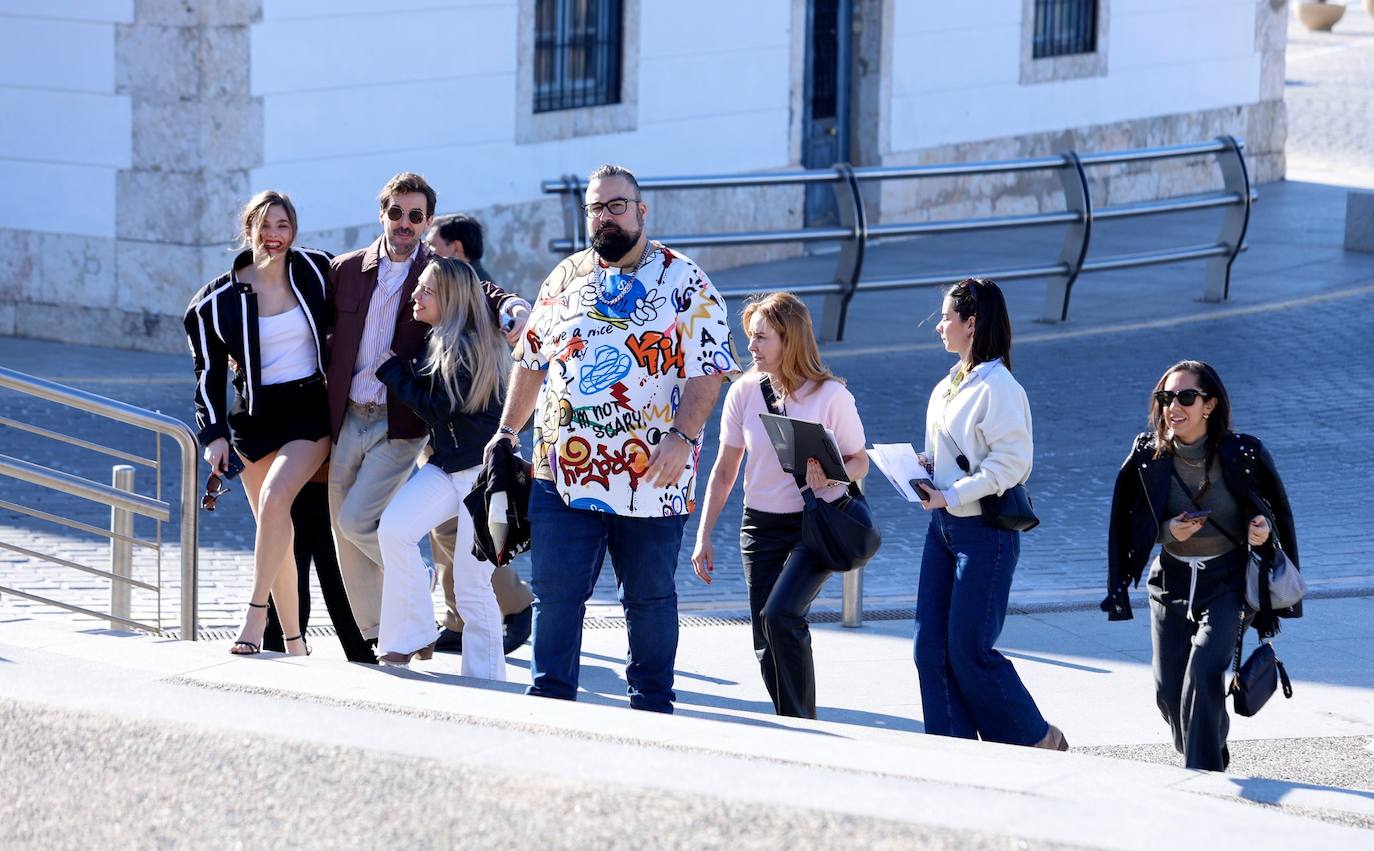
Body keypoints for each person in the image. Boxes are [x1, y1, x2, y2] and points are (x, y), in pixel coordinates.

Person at [488, 163, 740, 713]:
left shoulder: (684, 280)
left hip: (652, 474)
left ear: (641, 210)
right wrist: (507, 432)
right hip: (563, 473)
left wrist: (683, 436)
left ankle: (652, 705)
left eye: (616, 205)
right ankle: (550, 702)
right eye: (596, 208)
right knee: (556, 596)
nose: (605, 216)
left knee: (648, 599)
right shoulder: (564, 278)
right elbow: (530, 360)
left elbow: (710, 367)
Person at [325, 173, 529, 649]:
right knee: (345, 528)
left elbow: (483, 292)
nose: (404, 223)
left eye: (415, 216)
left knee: (366, 522)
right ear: (382, 213)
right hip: (348, 416)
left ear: (428, 220)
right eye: (396, 213)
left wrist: (515, 306)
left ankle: (425, 591)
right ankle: (384, 635)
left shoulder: (436, 271)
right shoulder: (347, 269)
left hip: (403, 421)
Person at [1102, 360, 1300, 771]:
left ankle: (1204, 776)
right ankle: (1207, 745)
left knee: (1205, 674)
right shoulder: (1147, 455)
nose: (1173, 407)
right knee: (1169, 694)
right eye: (1165, 398)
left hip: (1227, 583)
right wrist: (1166, 531)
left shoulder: (1242, 452)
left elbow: (1273, 513)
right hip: (1170, 582)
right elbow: (1129, 524)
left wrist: (1262, 532)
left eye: (1185, 397)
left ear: (1208, 405)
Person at [691, 292, 868, 718]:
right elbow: (726, 465)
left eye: (760, 338)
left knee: (782, 615)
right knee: (764, 635)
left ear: (789, 341)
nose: (750, 347)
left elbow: (861, 462)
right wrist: (704, 534)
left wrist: (832, 473)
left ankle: (803, 724)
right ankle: (790, 719)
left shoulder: (831, 396)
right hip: (759, 526)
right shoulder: (744, 392)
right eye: (750, 337)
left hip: (814, 525)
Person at [912, 277, 1066, 749]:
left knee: (968, 649)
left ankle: (1034, 738)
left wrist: (953, 494)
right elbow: (958, 456)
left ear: (971, 323)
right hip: (943, 530)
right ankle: (952, 748)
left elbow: (1012, 465)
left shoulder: (999, 386)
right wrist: (924, 467)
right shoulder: (948, 386)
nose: (939, 326)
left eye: (946, 317)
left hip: (984, 533)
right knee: (928, 650)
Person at [184, 190, 333, 656]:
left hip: (310, 410)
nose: (274, 235)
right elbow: (207, 374)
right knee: (274, 528)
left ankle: (253, 617)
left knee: (274, 501)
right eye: (265, 226)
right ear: (248, 229)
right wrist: (212, 435)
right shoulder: (214, 303)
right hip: (253, 418)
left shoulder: (316, 271)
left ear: (295, 230)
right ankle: (294, 644)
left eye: (283, 225)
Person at [373, 258, 508, 678]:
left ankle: (487, 681)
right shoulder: (439, 338)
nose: (416, 294)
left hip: (484, 477)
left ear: (450, 298)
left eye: (427, 290)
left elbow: (438, 407)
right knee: (393, 530)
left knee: (471, 586)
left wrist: (392, 370)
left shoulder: (468, 345)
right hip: (447, 468)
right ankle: (412, 634)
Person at [424, 212, 536, 656]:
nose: (428, 252)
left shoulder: (474, 290)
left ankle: (515, 600)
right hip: (447, 430)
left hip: (474, 433)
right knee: (445, 528)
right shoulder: (454, 282)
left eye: (434, 242)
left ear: (455, 249)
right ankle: (456, 618)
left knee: (467, 528)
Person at [261, 462, 373, 663]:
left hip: (342, 477)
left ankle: (370, 658)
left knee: (345, 583)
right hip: (293, 476)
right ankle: (278, 660)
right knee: (288, 578)